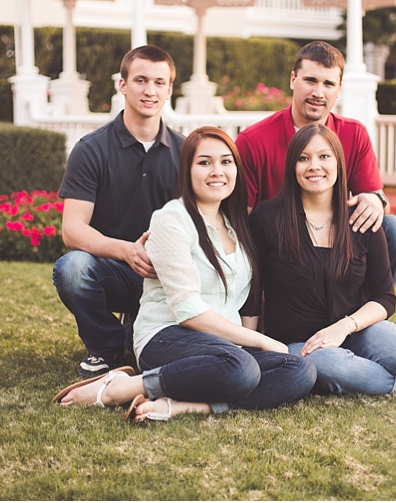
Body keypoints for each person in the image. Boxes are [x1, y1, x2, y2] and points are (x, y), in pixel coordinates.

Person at [54, 127, 315, 421]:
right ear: (187, 171)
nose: (217, 171)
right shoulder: (171, 220)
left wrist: (249, 343)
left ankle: (189, 406)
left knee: (299, 370)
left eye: (226, 162)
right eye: (204, 162)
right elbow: (188, 311)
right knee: (241, 368)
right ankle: (121, 388)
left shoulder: (237, 223)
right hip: (167, 335)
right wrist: (261, 341)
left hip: (224, 348)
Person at [249, 124, 396, 396]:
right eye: (303, 158)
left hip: (353, 330)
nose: (314, 166)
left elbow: (384, 297)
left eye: (324, 157)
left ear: (338, 164)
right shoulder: (267, 218)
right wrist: (251, 349)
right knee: (332, 368)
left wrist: (344, 327)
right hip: (301, 344)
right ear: (292, 166)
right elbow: (253, 294)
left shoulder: (361, 218)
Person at [53, 45, 184, 377]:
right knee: (72, 269)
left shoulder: (187, 151)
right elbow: (72, 229)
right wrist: (126, 251)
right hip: (114, 270)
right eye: (140, 80)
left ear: (169, 89)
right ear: (122, 85)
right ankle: (106, 346)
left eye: (159, 82)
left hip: (168, 273)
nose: (150, 90)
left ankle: (135, 329)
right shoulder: (90, 150)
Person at [236, 41, 396, 283]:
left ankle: (366, 311)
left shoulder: (354, 134)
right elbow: (240, 222)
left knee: (395, 230)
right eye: (310, 80)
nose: (318, 93)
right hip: (278, 248)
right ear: (293, 80)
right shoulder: (253, 140)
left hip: (334, 239)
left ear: (339, 89)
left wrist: (375, 199)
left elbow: (378, 201)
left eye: (328, 84)